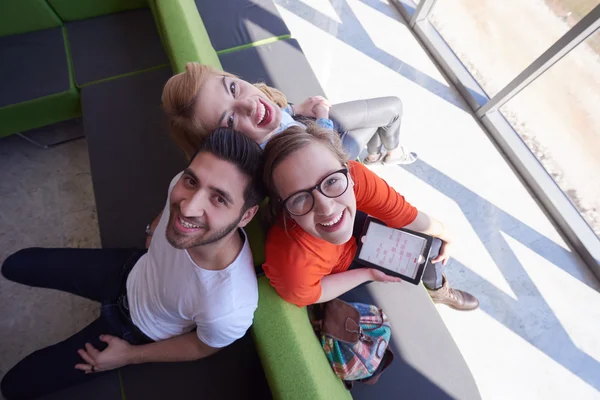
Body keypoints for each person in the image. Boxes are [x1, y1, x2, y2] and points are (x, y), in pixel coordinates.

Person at [0, 128, 265, 400]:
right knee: (17, 264)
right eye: (192, 181)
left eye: (219, 198)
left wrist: (130, 356)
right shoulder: (180, 184)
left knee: (16, 384)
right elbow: (170, 209)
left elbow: (202, 346)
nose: (188, 207)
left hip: (135, 330)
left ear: (246, 216)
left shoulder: (229, 306)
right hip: (128, 268)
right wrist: (152, 233)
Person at [260, 123, 479, 310]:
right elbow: (314, 293)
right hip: (343, 265)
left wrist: (448, 233)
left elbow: (404, 215)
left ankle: (437, 288)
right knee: (430, 249)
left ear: (348, 171)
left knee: (433, 245)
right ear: (284, 208)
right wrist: (368, 274)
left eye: (331, 181)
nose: (326, 208)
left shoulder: (358, 178)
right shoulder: (292, 265)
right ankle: (438, 289)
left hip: (356, 226)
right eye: (300, 198)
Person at [162, 62, 416, 165]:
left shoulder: (261, 125)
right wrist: (323, 115)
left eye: (232, 87)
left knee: (383, 113)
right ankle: (388, 155)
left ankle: (374, 156)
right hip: (327, 153)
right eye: (229, 120)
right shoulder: (279, 158)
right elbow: (323, 154)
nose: (249, 105)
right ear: (224, 145)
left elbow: (275, 119)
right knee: (391, 110)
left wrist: (295, 109)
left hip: (310, 128)